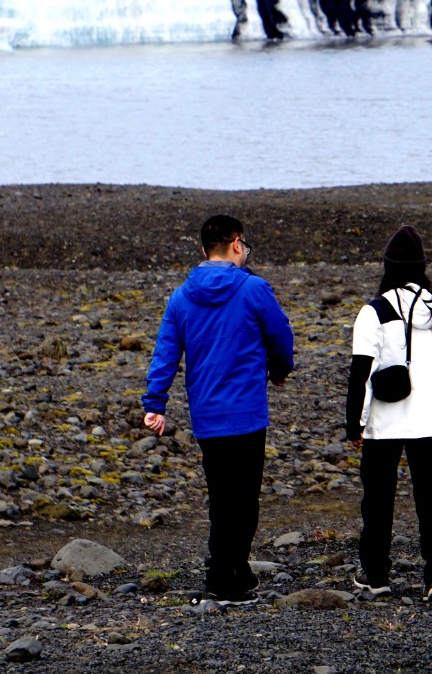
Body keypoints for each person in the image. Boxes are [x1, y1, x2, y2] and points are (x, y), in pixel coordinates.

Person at [142, 214, 295, 603]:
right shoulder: (254, 289)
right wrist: (280, 370)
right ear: (237, 243)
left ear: (203, 249)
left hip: (208, 416)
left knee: (222, 496)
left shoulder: (181, 297)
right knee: (243, 500)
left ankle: (233, 572)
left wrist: (155, 404)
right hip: (245, 413)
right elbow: (280, 336)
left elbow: (166, 353)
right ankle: (225, 575)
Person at [346, 225, 432, 599]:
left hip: (386, 422)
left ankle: (377, 576)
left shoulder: (374, 311)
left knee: (378, 500)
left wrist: (356, 423)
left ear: (388, 266)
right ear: (421, 266)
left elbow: (360, 372)